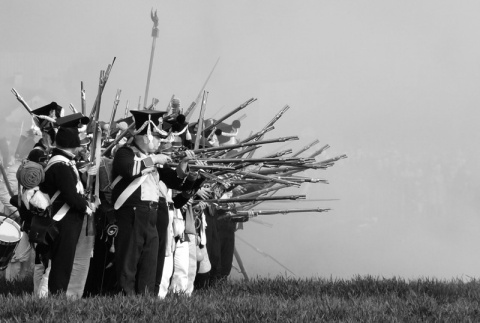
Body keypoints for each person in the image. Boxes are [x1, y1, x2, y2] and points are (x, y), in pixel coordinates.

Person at [111, 109, 193, 295]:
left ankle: (147, 300)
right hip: (131, 214)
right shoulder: (125, 153)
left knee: (150, 261)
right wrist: (154, 159)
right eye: (157, 136)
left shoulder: (153, 160)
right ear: (147, 136)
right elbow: (130, 169)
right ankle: (127, 300)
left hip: (151, 214)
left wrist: (184, 164)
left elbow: (174, 181)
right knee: (128, 263)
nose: (159, 141)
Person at [39, 113, 94, 297]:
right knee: (61, 264)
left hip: (67, 220)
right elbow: (71, 195)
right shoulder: (61, 165)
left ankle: (57, 297)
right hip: (64, 220)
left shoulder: (64, 163)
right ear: (73, 143)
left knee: (64, 263)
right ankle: (56, 299)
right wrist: (86, 207)